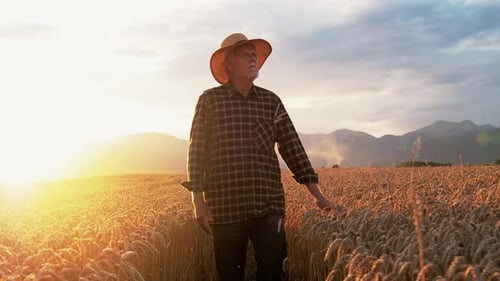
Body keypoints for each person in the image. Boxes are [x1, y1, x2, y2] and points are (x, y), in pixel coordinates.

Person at [181, 33, 346, 281]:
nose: (252, 58)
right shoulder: (209, 101)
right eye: (244, 54)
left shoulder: (271, 102)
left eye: (254, 55)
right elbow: (197, 151)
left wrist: (319, 196)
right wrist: (198, 202)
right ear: (228, 63)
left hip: (269, 205)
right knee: (230, 275)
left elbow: (293, 148)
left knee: (273, 273)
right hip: (225, 207)